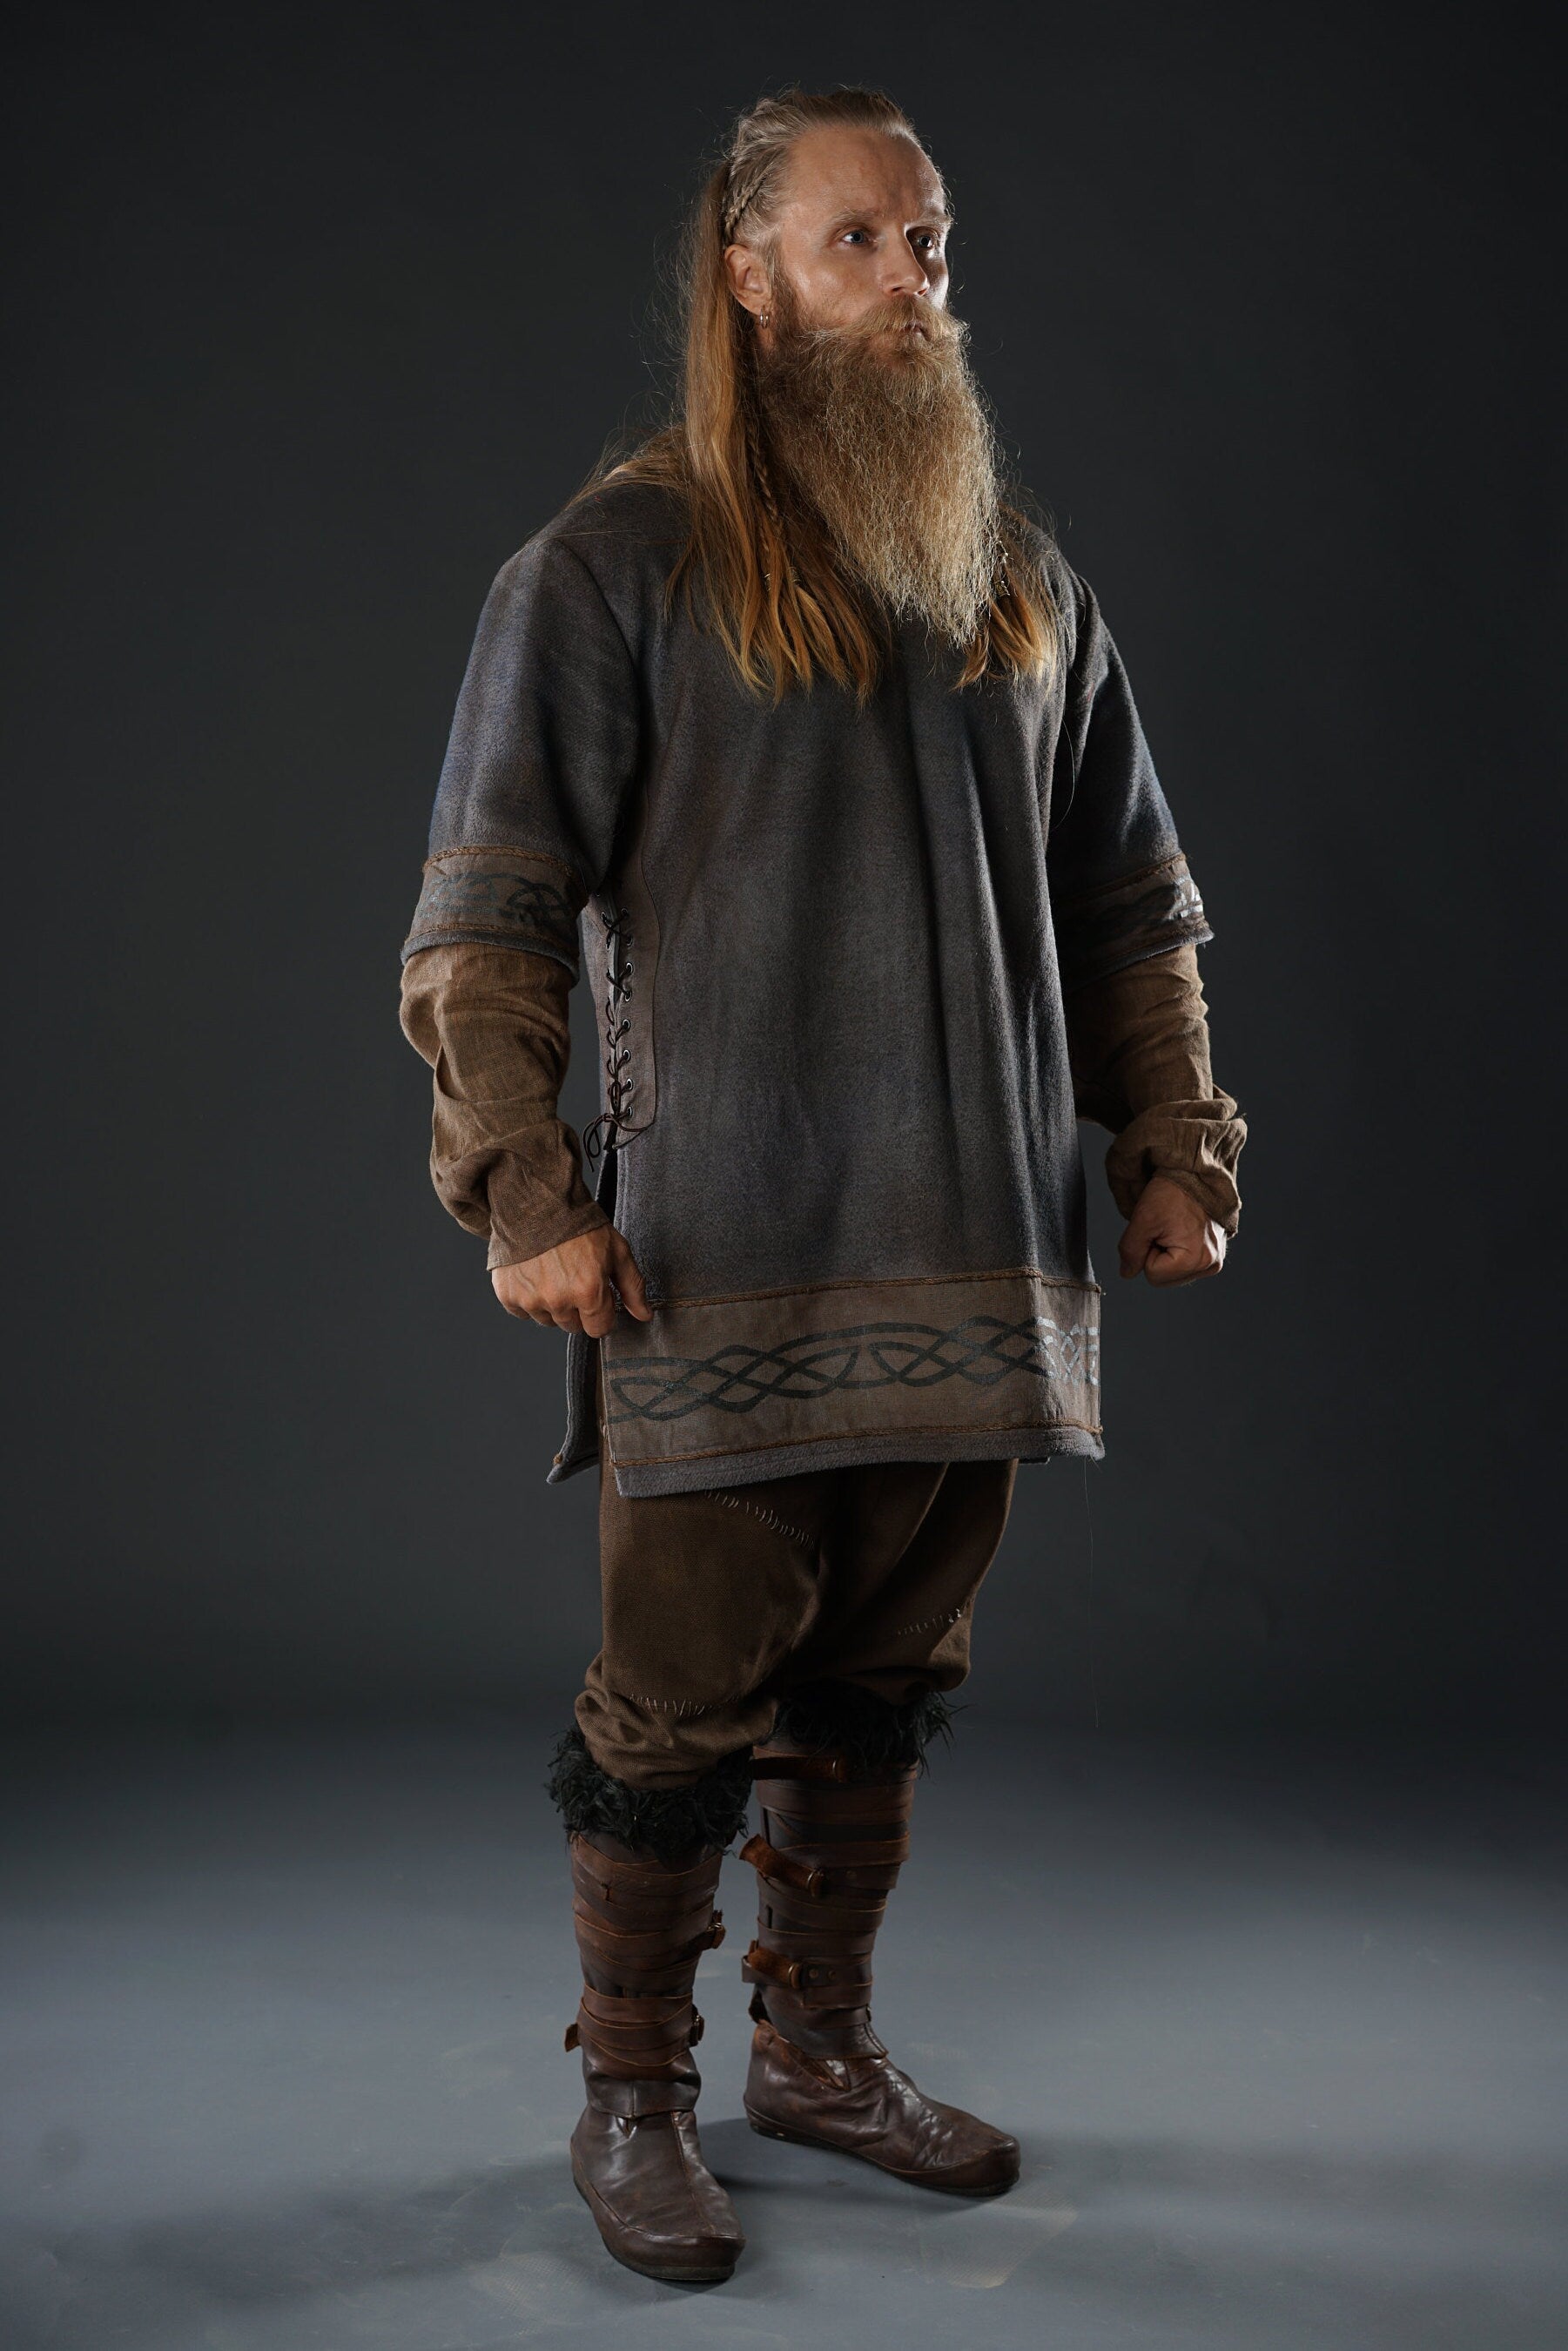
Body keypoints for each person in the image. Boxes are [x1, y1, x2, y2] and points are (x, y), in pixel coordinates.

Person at [399, 84, 1245, 2284]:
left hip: (977, 1255)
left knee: (881, 1677)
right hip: (721, 1252)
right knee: (676, 1698)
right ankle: (631, 2095)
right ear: (747, 274)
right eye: (860, 240)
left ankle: (819, 2054)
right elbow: (484, 920)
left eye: (930, 241)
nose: (911, 285)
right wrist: (523, 1191)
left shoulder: (1017, 582)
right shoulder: (608, 569)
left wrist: (1173, 1145)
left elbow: (1134, 909)